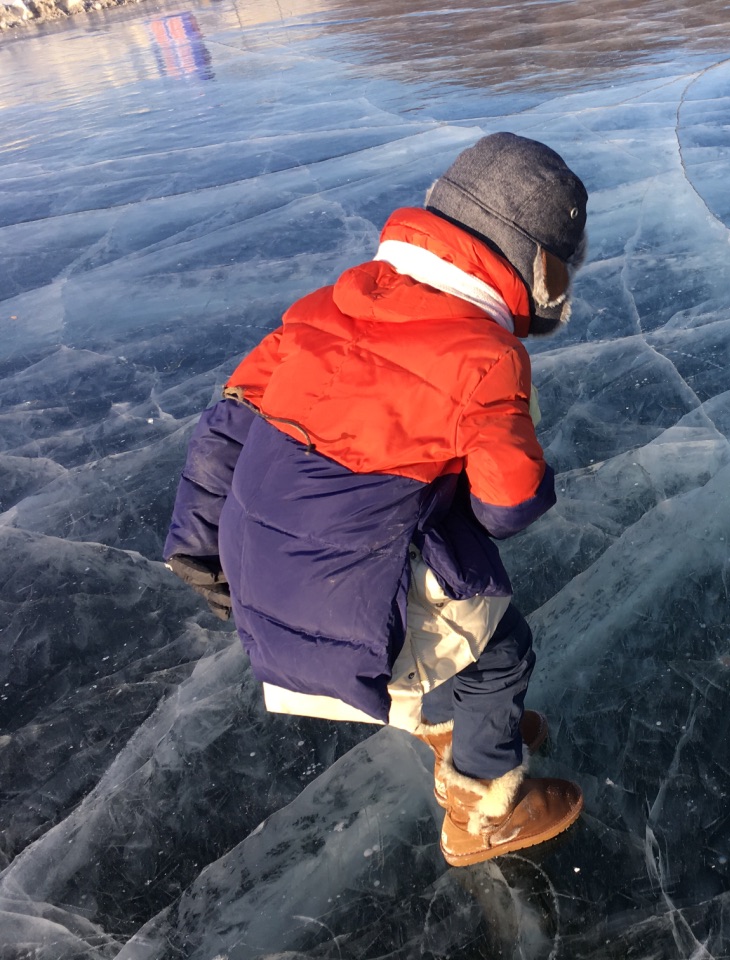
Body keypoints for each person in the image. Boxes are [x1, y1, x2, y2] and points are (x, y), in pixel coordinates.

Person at [163, 133, 588, 867]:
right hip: (350, 622)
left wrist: (197, 550)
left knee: (428, 568)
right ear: (535, 267)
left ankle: (456, 719)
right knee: (502, 650)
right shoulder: (488, 358)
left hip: (260, 596)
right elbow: (505, 506)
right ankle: (482, 808)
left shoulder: (320, 308)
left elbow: (224, 432)